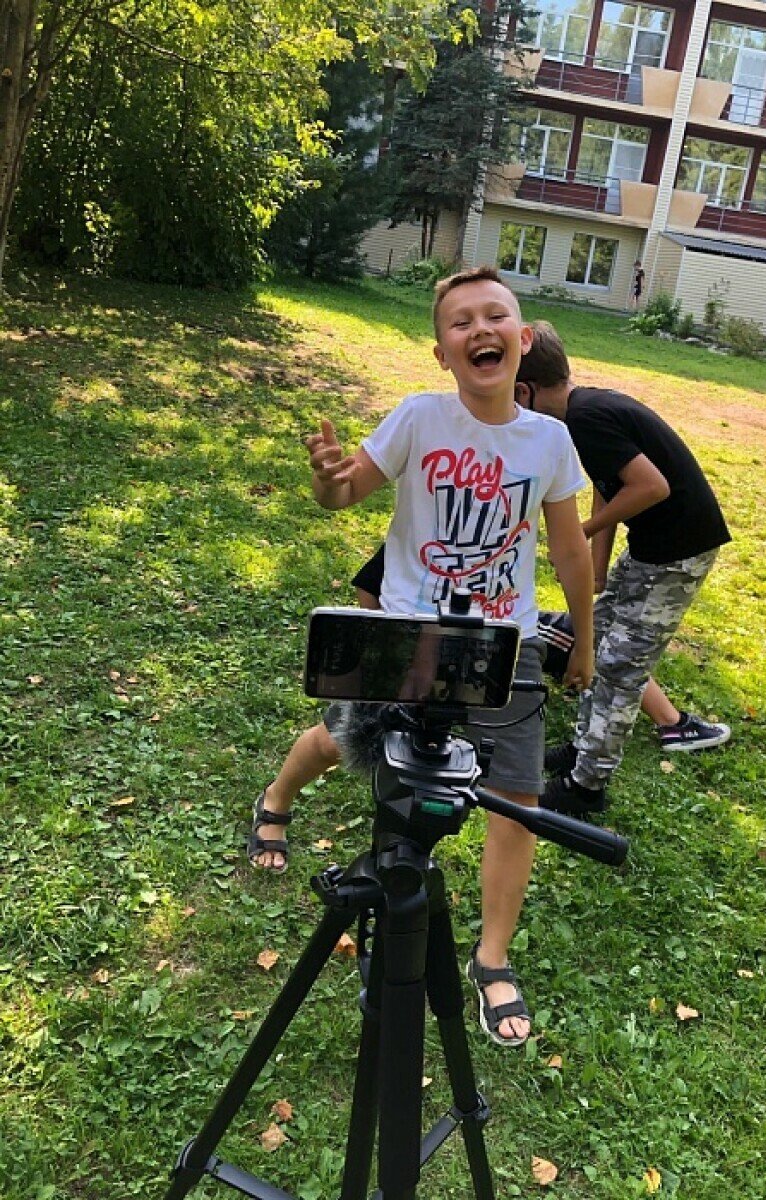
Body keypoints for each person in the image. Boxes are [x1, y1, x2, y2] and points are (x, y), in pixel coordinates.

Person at [247, 268, 595, 1048]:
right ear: (442, 353)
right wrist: (327, 481)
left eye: (494, 316)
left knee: (517, 797)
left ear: (522, 338)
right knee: (341, 741)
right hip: (408, 632)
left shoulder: (550, 440)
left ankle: (492, 957)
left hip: (503, 645)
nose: (480, 329)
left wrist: (585, 639)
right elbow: (345, 493)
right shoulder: (418, 418)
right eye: (460, 322)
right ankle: (277, 797)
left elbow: (572, 549)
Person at [514, 321, 731, 816]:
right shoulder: (580, 412)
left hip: (680, 551)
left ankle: (585, 787)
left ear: (525, 391)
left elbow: (651, 487)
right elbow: (609, 483)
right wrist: (597, 565)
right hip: (653, 548)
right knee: (594, 637)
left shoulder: (586, 418)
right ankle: (582, 749)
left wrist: (582, 532)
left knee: (619, 665)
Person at [353, 546, 729, 755]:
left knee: (584, 641)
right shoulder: (420, 537)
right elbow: (368, 585)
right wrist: (400, 643)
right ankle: (672, 723)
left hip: (488, 627)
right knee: (586, 642)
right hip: (482, 639)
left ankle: (669, 720)